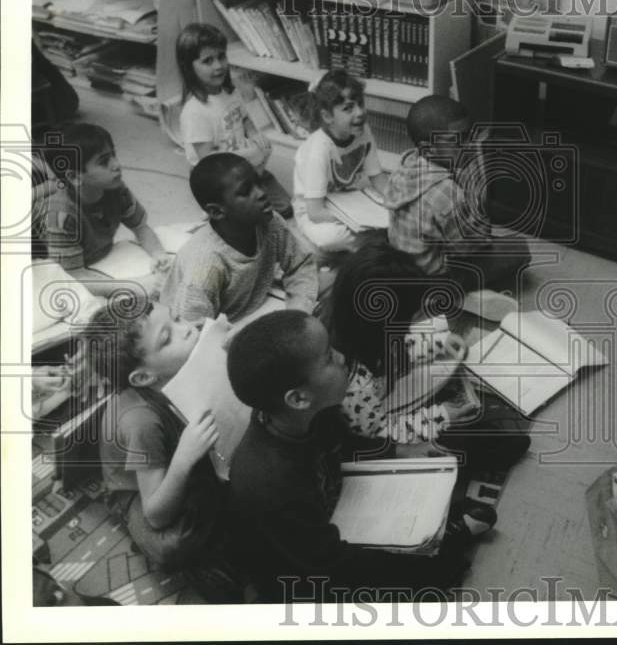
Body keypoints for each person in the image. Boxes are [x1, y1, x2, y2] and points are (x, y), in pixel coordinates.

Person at [225, 310, 495, 602]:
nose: (342, 358)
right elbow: (329, 563)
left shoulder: (311, 412)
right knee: (440, 575)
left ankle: (436, 536)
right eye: (328, 357)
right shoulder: (268, 481)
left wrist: (398, 451)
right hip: (305, 568)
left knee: (464, 463)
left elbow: (348, 443)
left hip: (342, 509)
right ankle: (441, 542)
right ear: (299, 398)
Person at [330, 242, 531, 470]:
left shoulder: (364, 331)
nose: (418, 317)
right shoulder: (353, 383)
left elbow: (398, 347)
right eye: (411, 315)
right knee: (461, 444)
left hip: (385, 396)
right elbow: (381, 434)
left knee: (437, 332)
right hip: (377, 431)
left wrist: (436, 345)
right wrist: (442, 415)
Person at [91, 299, 239, 599]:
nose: (186, 330)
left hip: (173, 449)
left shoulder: (177, 364)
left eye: (176, 317)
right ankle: (199, 564)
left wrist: (216, 339)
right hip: (139, 492)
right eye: (167, 337)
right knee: (173, 544)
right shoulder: (141, 422)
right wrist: (184, 459)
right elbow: (156, 514)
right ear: (145, 377)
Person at [384, 95, 531, 292]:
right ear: (429, 150)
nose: (469, 144)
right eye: (458, 140)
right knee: (518, 248)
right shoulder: (447, 193)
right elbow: (471, 247)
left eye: (470, 134)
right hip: (433, 280)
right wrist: (476, 204)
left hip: (405, 264)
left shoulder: (406, 163)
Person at [159, 152, 321, 324]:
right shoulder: (204, 266)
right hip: (214, 323)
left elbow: (301, 263)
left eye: (258, 183)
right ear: (216, 211)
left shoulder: (270, 221)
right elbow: (193, 329)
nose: (261, 193)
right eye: (246, 191)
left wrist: (298, 312)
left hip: (255, 302)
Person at [33, 122, 170, 297]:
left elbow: (140, 227)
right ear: (75, 176)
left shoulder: (116, 189)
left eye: (114, 155)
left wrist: (158, 253)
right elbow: (72, 276)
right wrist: (134, 286)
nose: (117, 165)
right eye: (104, 161)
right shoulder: (60, 214)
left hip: (91, 260)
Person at [176, 23, 292, 218]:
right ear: (189, 68)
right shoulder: (195, 111)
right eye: (208, 61)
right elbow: (207, 160)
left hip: (243, 164)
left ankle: (252, 181)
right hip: (218, 175)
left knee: (285, 208)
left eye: (221, 56)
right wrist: (247, 156)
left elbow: (245, 120)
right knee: (252, 216)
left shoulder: (231, 92)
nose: (218, 66)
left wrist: (257, 139)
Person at [291, 69, 388, 256]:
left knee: (396, 209)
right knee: (331, 238)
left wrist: (395, 200)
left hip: (351, 198)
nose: (360, 113)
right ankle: (371, 239)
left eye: (360, 104)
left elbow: (377, 177)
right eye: (348, 108)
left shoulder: (362, 130)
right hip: (317, 210)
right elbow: (315, 212)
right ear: (327, 117)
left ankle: (369, 239)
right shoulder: (318, 150)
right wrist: (359, 220)